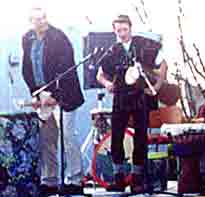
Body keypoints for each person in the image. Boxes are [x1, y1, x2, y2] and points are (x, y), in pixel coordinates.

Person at [97, 14, 168, 193]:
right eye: (118, 30)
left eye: (124, 30)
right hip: (120, 98)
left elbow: (163, 64)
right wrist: (107, 84)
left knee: (140, 138)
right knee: (117, 137)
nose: (122, 34)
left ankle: (137, 179)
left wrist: (157, 86)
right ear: (114, 31)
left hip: (140, 97)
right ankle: (118, 178)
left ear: (130, 28)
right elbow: (100, 74)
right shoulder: (112, 51)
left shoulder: (144, 44)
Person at [21, 6, 85, 194]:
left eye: (42, 19)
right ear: (30, 21)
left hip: (63, 95)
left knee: (68, 137)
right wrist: (36, 92)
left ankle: (75, 179)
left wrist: (53, 95)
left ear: (46, 19)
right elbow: (27, 68)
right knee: (47, 139)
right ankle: (49, 180)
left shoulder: (59, 37)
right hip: (41, 95)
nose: (40, 23)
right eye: (35, 20)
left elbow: (66, 67)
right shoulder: (27, 38)